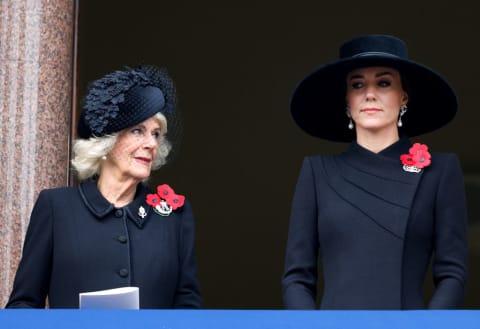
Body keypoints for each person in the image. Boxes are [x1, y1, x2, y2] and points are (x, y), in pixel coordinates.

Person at [282, 34, 468, 309]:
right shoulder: (317, 172)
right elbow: (297, 277)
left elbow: (452, 274)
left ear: (403, 96)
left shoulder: (439, 172)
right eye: (357, 85)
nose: (370, 93)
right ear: (347, 100)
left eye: (383, 83)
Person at [6, 65, 202, 309]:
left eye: (155, 134)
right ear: (105, 142)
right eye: (138, 131)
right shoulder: (56, 208)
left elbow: (189, 309)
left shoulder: (174, 216)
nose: (151, 143)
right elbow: (23, 305)